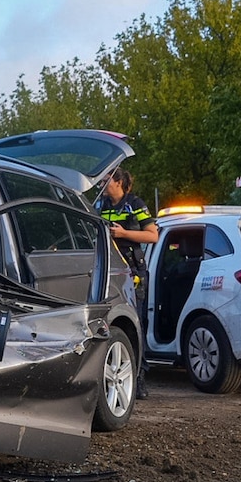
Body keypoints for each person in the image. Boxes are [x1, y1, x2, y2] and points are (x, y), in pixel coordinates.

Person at [94, 167, 158, 399]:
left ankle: (139, 379)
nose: (101, 186)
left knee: (136, 326)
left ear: (118, 182)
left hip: (133, 273)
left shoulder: (135, 204)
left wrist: (123, 234)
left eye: (105, 181)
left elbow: (153, 235)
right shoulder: (99, 206)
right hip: (107, 272)